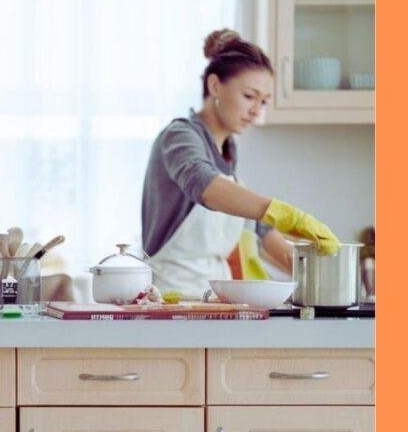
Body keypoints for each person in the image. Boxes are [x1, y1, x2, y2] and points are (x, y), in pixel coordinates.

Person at [141, 28, 339, 298]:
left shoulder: (227, 150)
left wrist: (320, 272)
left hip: (213, 298)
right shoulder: (180, 136)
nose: (256, 110)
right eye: (249, 96)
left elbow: (258, 228)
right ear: (214, 86)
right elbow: (204, 185)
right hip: (171, 299)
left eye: (264, 101)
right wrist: (282, 212)